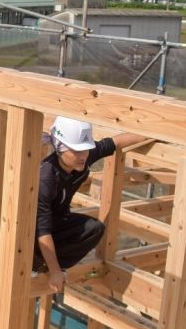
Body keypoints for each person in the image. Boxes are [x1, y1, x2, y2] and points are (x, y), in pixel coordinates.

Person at [34, 116, 145, 294]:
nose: (83, 156)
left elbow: (114, 143)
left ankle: (51, 263)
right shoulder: (46, 179)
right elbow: (42, 230)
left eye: (86, 150)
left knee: (94, 229)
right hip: (33, 235)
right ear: (60, 148)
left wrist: (149, 135)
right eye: (77, 151)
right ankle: (39, 265)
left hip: (58, 221)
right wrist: (55, 272)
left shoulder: (83, 158)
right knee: (37, 241)